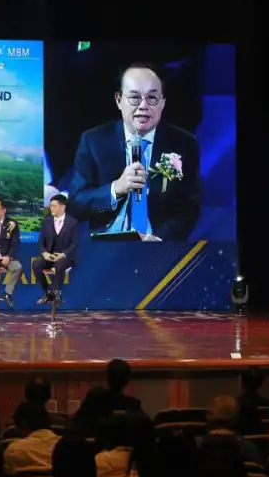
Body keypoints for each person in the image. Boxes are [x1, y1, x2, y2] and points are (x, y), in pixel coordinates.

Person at [67, 63, 201, 241]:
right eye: (134, 97)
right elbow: (76, 206)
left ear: (162, 103)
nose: (143, 105)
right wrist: (116, 188)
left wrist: (159, 240)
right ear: (118, 100)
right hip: (107, 246)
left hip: (158, 245)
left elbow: (189, 209)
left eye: (152, 98)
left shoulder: (184, 144)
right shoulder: (93, 141)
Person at [32, 194, 80, 305]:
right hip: (49, 255)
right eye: (51, 206)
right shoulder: (46, 222)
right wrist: (45, 253)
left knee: (59, 264)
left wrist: (63, 254)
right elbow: (41, 242)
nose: (51, 208)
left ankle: (57, 294)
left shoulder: (73, 223)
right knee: (36, 264)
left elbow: (74, 244)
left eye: (54, 206)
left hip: (65, 257)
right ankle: (47, 292)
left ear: (62, 207)